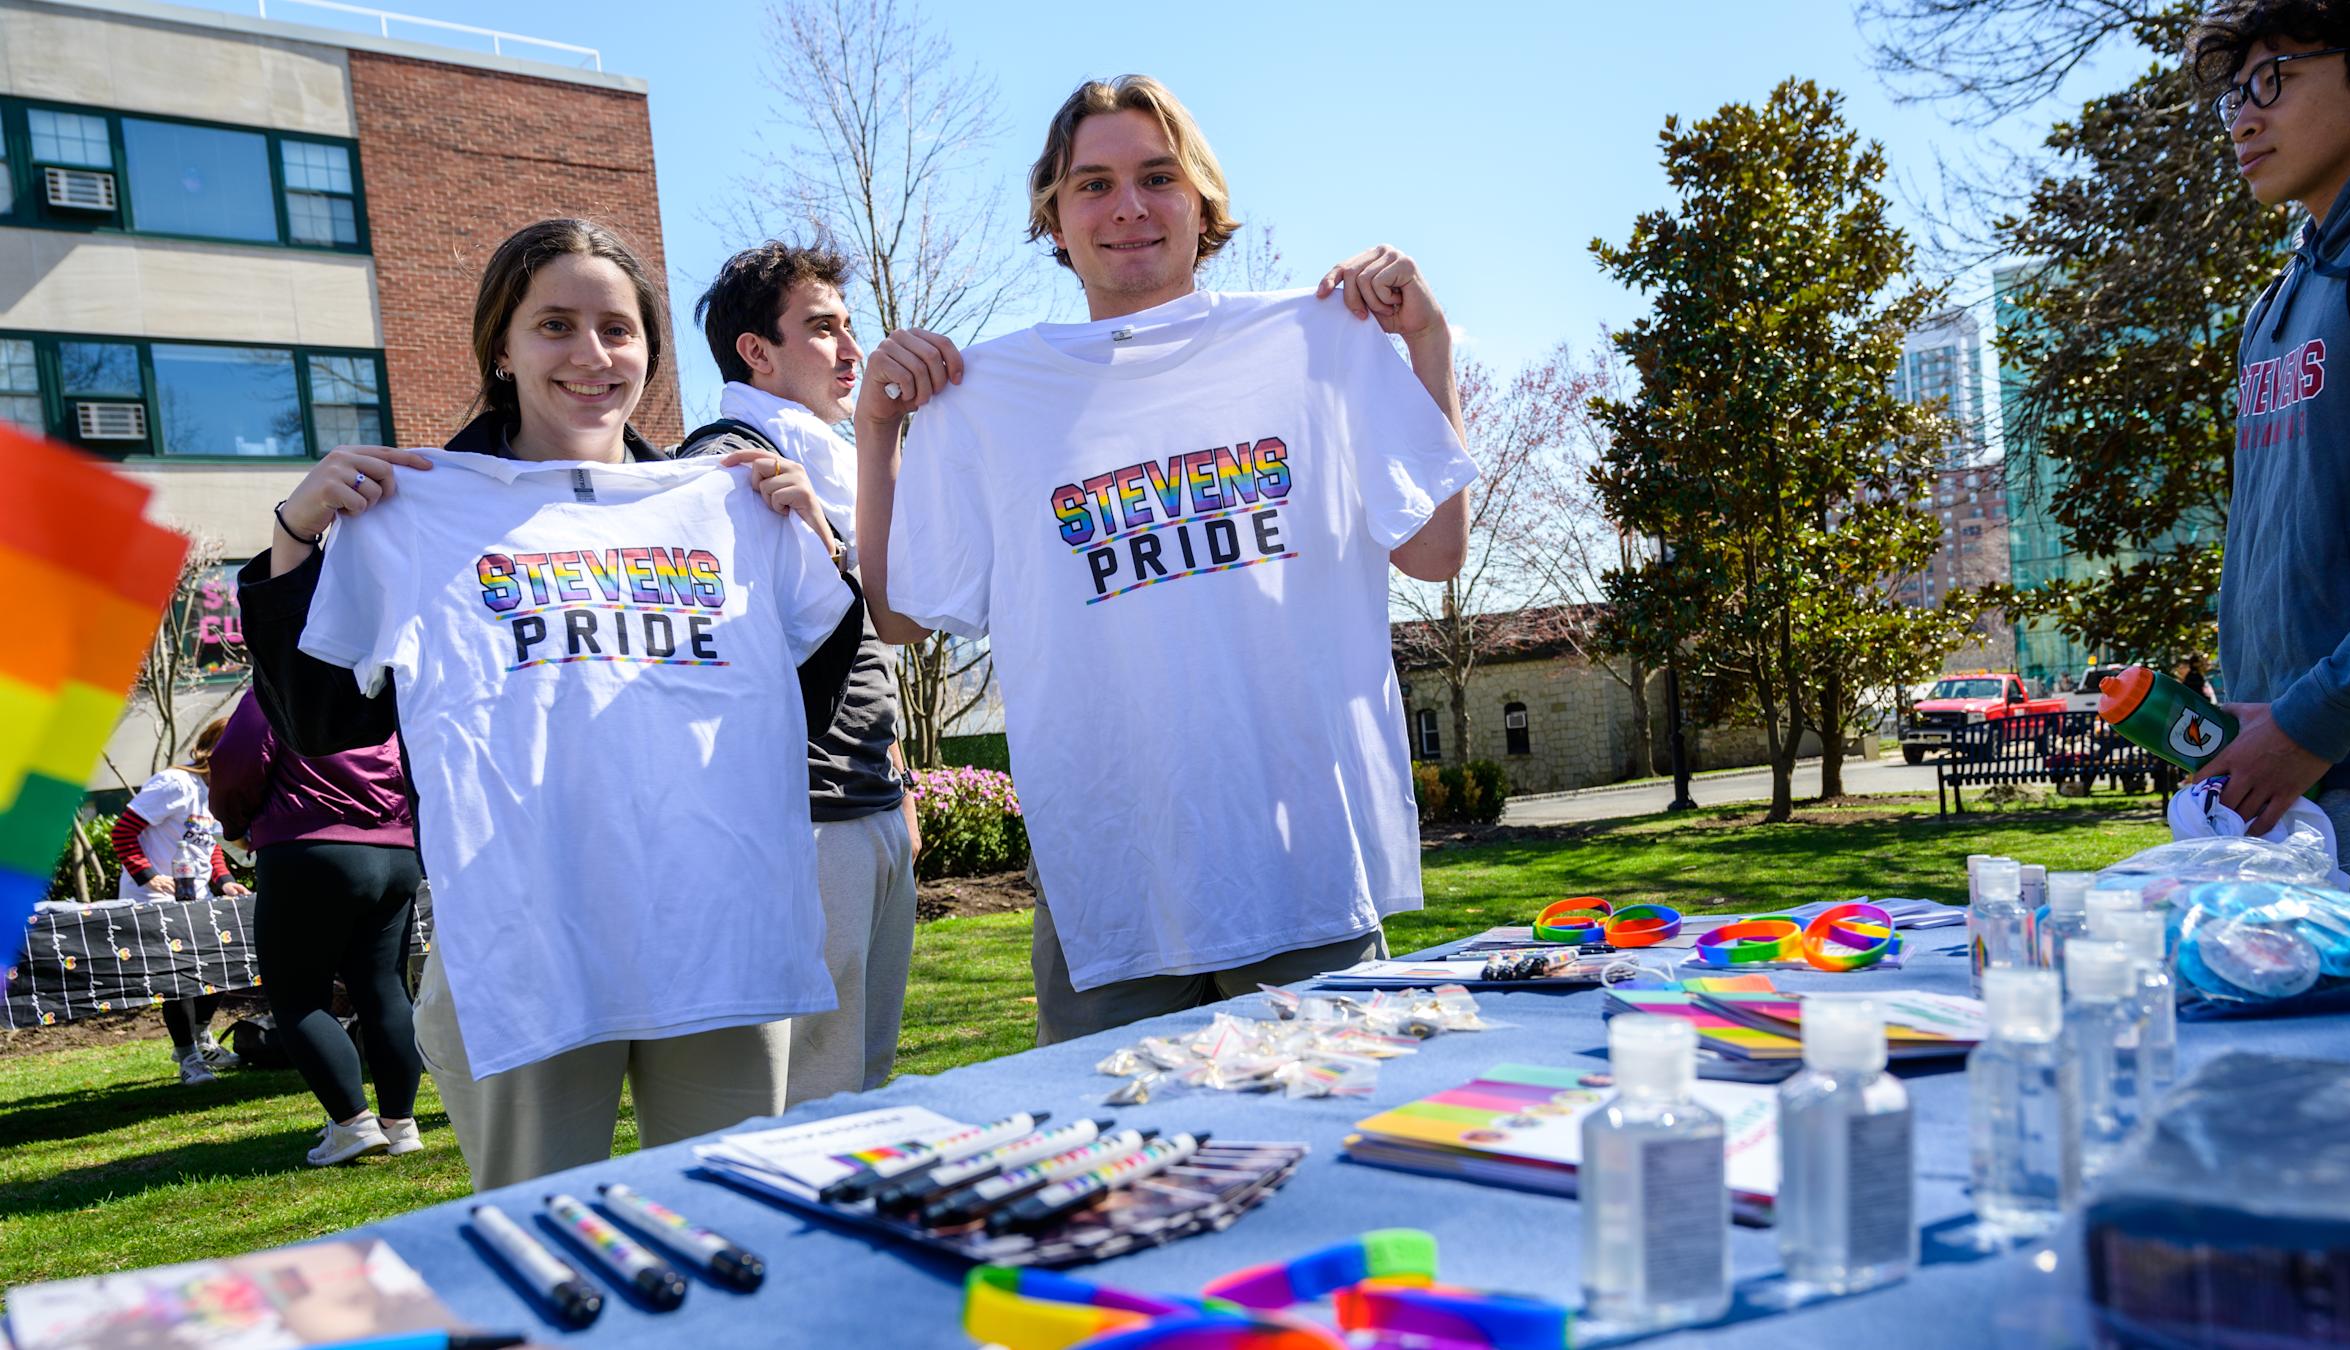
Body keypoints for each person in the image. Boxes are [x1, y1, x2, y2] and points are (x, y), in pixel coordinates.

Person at [236, 218, 864, 1188]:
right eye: (556, 325)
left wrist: (817, 548)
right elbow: (322, 727)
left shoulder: (727, 505)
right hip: (525, 950)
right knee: (540, 1259)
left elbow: (795, 716)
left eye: (618, 329)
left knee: (732, 1232)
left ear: (651, 351)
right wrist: (292, 541)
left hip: (715, 939)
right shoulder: (422, 511)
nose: (592, 354)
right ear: (502, 345)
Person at [852, 75, 1475, 1044]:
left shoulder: (1314, 346)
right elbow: (895, 619)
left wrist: (1427, 342)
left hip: (1300, 869)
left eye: (1157, 175)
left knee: (1337, 1155)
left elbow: (1436, 550)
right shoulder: (990, 401)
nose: (1129, 206)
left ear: (1203, 202)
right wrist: (874, 434)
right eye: (1093, 183)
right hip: (1112, 899)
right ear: (1053, 217)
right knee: (1126, 1181)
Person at [684, 240, 921, 1102]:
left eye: (850, 327)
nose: (852, 351)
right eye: (823, 329)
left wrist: (897, 784)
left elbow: (872, 634)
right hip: (805, 822)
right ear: (756, 351)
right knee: (813, 1093)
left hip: (869, 806)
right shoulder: (726, 464)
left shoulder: (828, 458)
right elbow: (732, 662)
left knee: (865, 1074)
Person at [2188, 2, 2350, 898]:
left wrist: (2315, 718)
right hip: (2298, 791)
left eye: (2275, 80)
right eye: (2234, 92)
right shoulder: (2279, 300)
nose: (2243, 115)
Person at [210, 688, 422, 1166]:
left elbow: (236, 763)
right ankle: (400, 1124)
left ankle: (352, 1124)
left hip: (310, 848)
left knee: (297, 996)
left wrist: (234, 824)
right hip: (395, 850)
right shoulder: (384, 685)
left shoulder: (278, 683)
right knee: (385, 989)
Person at [110, 716, 250, 1084]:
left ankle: (201, 1038)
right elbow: (123, 831)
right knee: (178, 980)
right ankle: (189, 1058)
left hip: (199, 899)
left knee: (222, 967)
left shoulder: (216, 790)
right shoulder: (174, 783)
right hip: (155, 900)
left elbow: (209, 848)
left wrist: (226, 882)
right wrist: (149, 876)